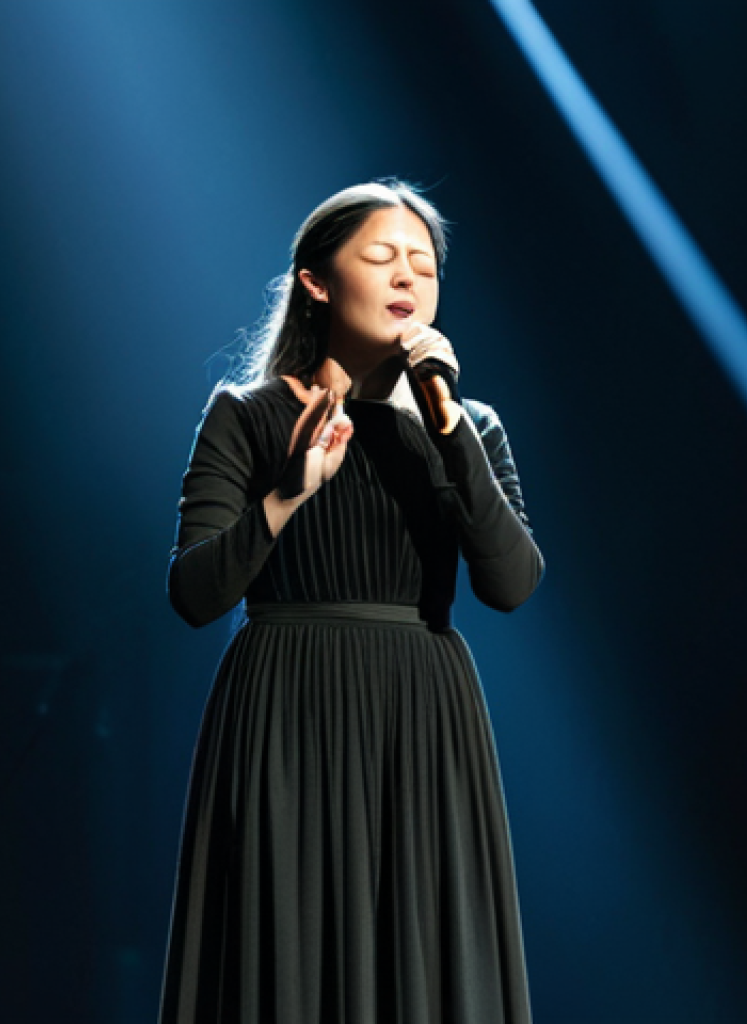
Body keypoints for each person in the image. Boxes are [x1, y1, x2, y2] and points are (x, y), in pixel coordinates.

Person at [159, 179, 544, 1023]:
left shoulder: (470, 426)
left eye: (424, 264)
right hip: (287, 709)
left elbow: (511, 584)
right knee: (286, 959)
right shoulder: (248, 417)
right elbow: (194, 593)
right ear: (317, 281)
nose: (408, 276)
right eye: (381, 257)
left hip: (422, 715)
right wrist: (287, 495)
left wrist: (447, 428)